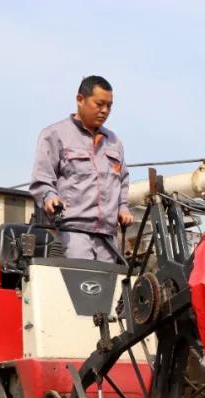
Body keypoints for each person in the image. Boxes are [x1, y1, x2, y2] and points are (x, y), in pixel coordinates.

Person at [29, 75, 133, 262]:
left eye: (109, 106)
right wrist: (50, 197)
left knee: (109, 289)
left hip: (108, 239)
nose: (105, 111)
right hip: (72, 234)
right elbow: (42, 179)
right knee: (79, 286)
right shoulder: (55, 135)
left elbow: (122, 180)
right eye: (99, 104)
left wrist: (123, 208)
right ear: (80, 99)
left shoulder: (114, 142)